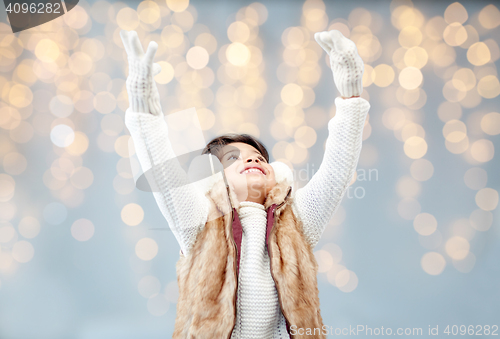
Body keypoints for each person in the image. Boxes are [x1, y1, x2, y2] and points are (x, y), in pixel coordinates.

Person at [121, 29, 370, 339]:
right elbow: (163, 175)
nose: (252, 161)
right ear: (214, 177)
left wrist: (351, 96)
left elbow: (337, 171)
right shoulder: (202, 222)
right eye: (233, 159)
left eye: (258, 157)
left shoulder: (296, 220)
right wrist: (144, 110)